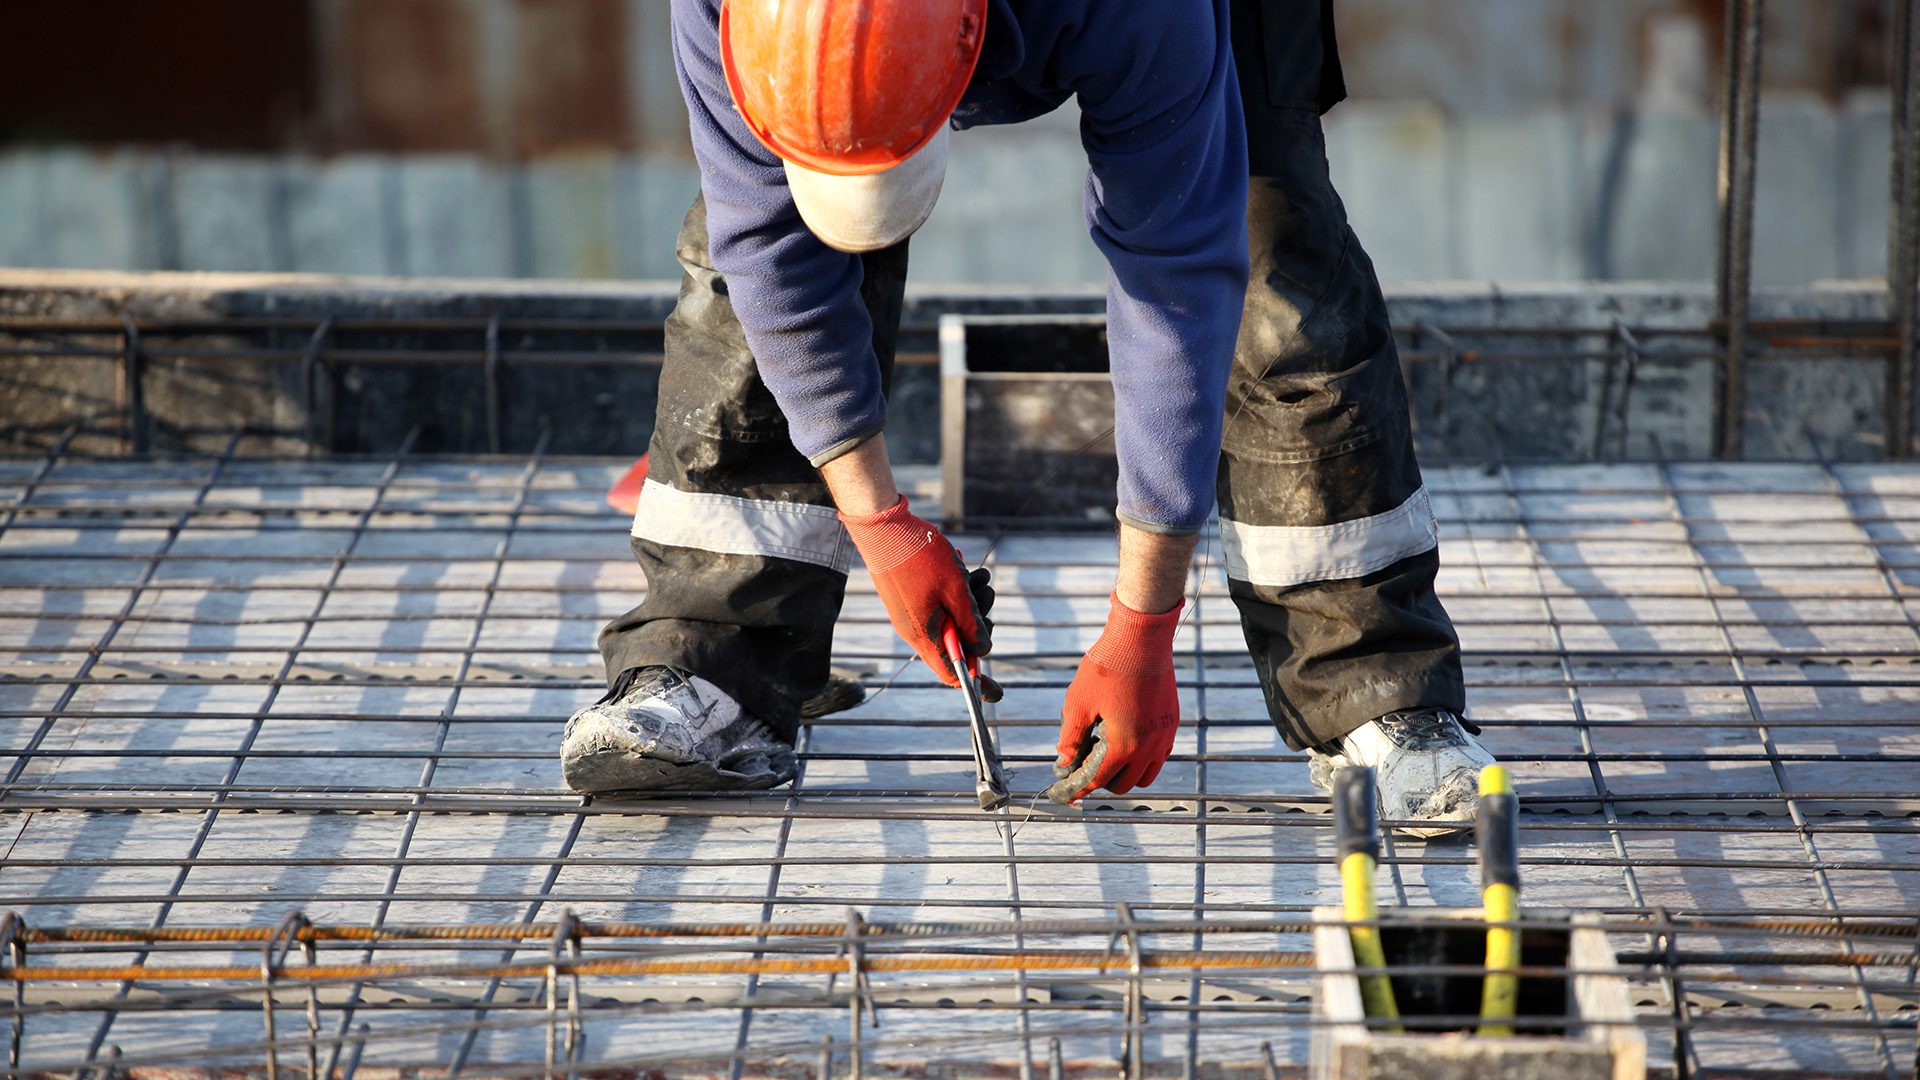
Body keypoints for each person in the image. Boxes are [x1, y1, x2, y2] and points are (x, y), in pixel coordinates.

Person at [560, 0, 1496, 835]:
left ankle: (1376, 685)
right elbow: (770, 247)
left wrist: (1143, 625)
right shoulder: (726, 12)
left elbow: (1175, 279)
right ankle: (708, 661)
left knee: (1267, 246)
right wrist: (879, 523)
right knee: (747, 264)